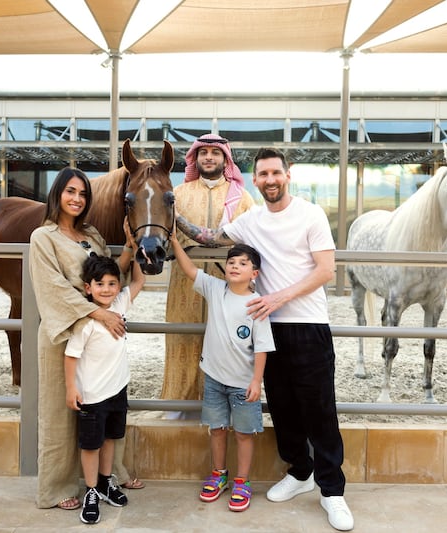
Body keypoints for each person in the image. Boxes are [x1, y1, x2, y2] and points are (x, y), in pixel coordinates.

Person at [176, 147, 354, 531]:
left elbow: (326, 270)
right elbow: (208, 237)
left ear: (288, 175)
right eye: (263, 175)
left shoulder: (311, 214)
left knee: (319, 409)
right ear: (254, 180)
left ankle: (332, 491)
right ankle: (299, 471)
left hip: (307, 325)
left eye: (276, 173)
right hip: (266, 330)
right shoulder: (251, 219)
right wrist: (167, 215)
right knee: (285, 408)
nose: (270, 180)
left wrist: (278, 297)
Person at [29, 167, 135, 510]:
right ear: (57, 194)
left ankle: (108, 476)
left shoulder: (90, 234)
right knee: (63, 410)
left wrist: (130, 249)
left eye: (83, 194)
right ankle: (58, 487)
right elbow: (53, 287)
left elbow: (108, 272)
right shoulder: (43, 237)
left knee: (103, 403)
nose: (77, 199)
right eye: (70, 191)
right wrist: (98, 313)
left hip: (99, 336)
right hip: (64, 332)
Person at [169, 233, 275, 512]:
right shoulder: (216, 289)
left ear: (255, 273)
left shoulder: (257, 304)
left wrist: (256, 381)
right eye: (231, 261)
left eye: (243, 263)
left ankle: (243, 480)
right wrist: (175, 242)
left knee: (243, 433)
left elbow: (262, 347)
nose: (235, 266)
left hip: (243, 383)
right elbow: (190, 269)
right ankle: (219, 475)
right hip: (214, 379)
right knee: (216, 429)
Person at [162, 134, 255, 407]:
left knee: (225, 343)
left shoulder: (243, 198)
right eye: (203, 153)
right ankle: (177, 405)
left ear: (225, 159)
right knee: (182, 339)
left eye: (215, 153)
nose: (209, 157)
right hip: (184, 285)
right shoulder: (178, 195)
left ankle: (220, 405)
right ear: (195, 158)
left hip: (227, 286)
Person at [65, 251, 145, 524]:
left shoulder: (121, 304)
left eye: (112, 283)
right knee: (91, 445)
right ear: (88, 288)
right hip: (91, 395)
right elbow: (71, 356)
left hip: (118, 390)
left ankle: (104, 482)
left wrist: (137, 252)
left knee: (111, 438)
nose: (107, 289)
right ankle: (90, 491)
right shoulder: (86, 321)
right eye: (100, 284)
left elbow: (138, 281)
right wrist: (70, 389)